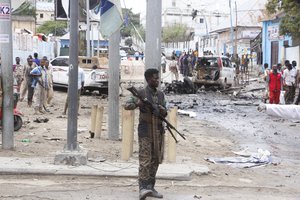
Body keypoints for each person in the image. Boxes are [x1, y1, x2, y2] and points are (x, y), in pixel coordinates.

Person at [125, 68, 167, 200]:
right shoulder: (141, 93)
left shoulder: (160, 95)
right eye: (155, 78)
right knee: (145, 159)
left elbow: (166, 111)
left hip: (158, 130)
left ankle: (151, 187)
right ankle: (143, 188)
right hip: (145, 129)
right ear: (149, 79)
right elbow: (127, 105)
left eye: (158, 78)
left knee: (156, 159)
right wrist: (138, 103)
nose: (157, 80)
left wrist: (162, 110)